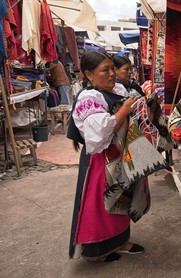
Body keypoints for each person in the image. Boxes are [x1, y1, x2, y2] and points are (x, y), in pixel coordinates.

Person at [67, 51, 143, 262]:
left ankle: (120, 242)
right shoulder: (88, 98)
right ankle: (98, 251)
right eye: (105, 70)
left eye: (112, 69)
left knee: (120, 199)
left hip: (119, 157)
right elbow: (100, 132)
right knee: (100, 206)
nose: (112, 74)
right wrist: (124, 111)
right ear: (89, 75)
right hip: (100, 161)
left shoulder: (115, 90)